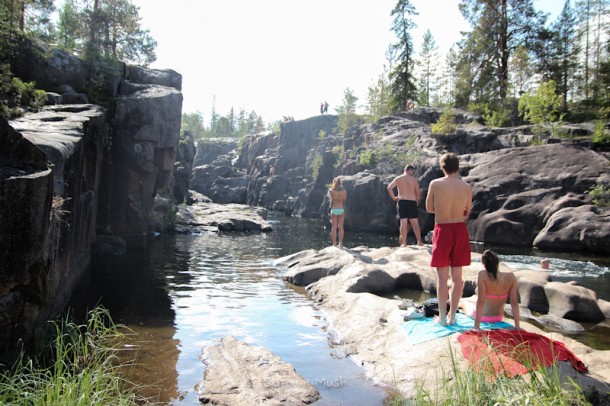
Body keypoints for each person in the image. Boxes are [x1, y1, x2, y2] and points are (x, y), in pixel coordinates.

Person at [425, 152, 472, 326]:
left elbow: (429, 208)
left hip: (442, 229)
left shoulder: (435, 184)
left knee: (442, 278)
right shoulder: (466, 186)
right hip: (459, 229)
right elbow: (467, 211)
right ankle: (453, 317)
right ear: (457, 167)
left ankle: (443, 318)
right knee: (457, 278)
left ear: (442, 167)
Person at [470, 250, 520, 331]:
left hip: (484, 317)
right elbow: (514, 303)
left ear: (484, 263)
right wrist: (517, 326)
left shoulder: (482, 275)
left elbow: (481, 301)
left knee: (465, 303)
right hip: (499, 317)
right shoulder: (511, 277)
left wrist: (477, 325)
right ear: (497, 262)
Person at [386, 164, 422, 246]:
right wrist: (417, 202)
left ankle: (404, 243)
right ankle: (419, 242)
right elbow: (418, 192)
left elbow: (389, 187)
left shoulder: (398, 178)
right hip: (412, 201)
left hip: (402, 201)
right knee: (415, 222)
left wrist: (394, 198)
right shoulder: (414, 180)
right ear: (409, 170)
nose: (413, 173)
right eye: (413, 171)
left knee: (403, 222)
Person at [328, 177, 347, 247]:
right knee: (341, 227)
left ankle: (334, 244)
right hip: (341, 209)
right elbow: (344, 200)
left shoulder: (331, 191)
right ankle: (340, 244)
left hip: (334, 209)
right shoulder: (344, 191)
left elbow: (331, 200)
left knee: (334, 227)